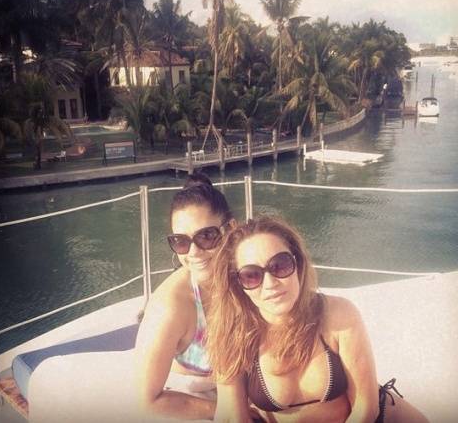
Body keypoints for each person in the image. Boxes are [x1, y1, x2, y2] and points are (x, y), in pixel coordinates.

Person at [207, 216, 429, 423]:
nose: (270, 283)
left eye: (280, 265)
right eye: (251, 275)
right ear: (238, 284)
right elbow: (231, 417)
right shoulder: (233, 332)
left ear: (298, 264)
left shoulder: (338, 314)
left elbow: (365, 408)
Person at [135, 173, 235, 421]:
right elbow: (147, 399)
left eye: (207, 236)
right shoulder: (170, 307)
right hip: (190, 397)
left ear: (231, 228)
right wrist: (226, 410)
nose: (194, 252)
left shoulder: (249, 274)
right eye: (181, 241)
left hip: (242, 384)